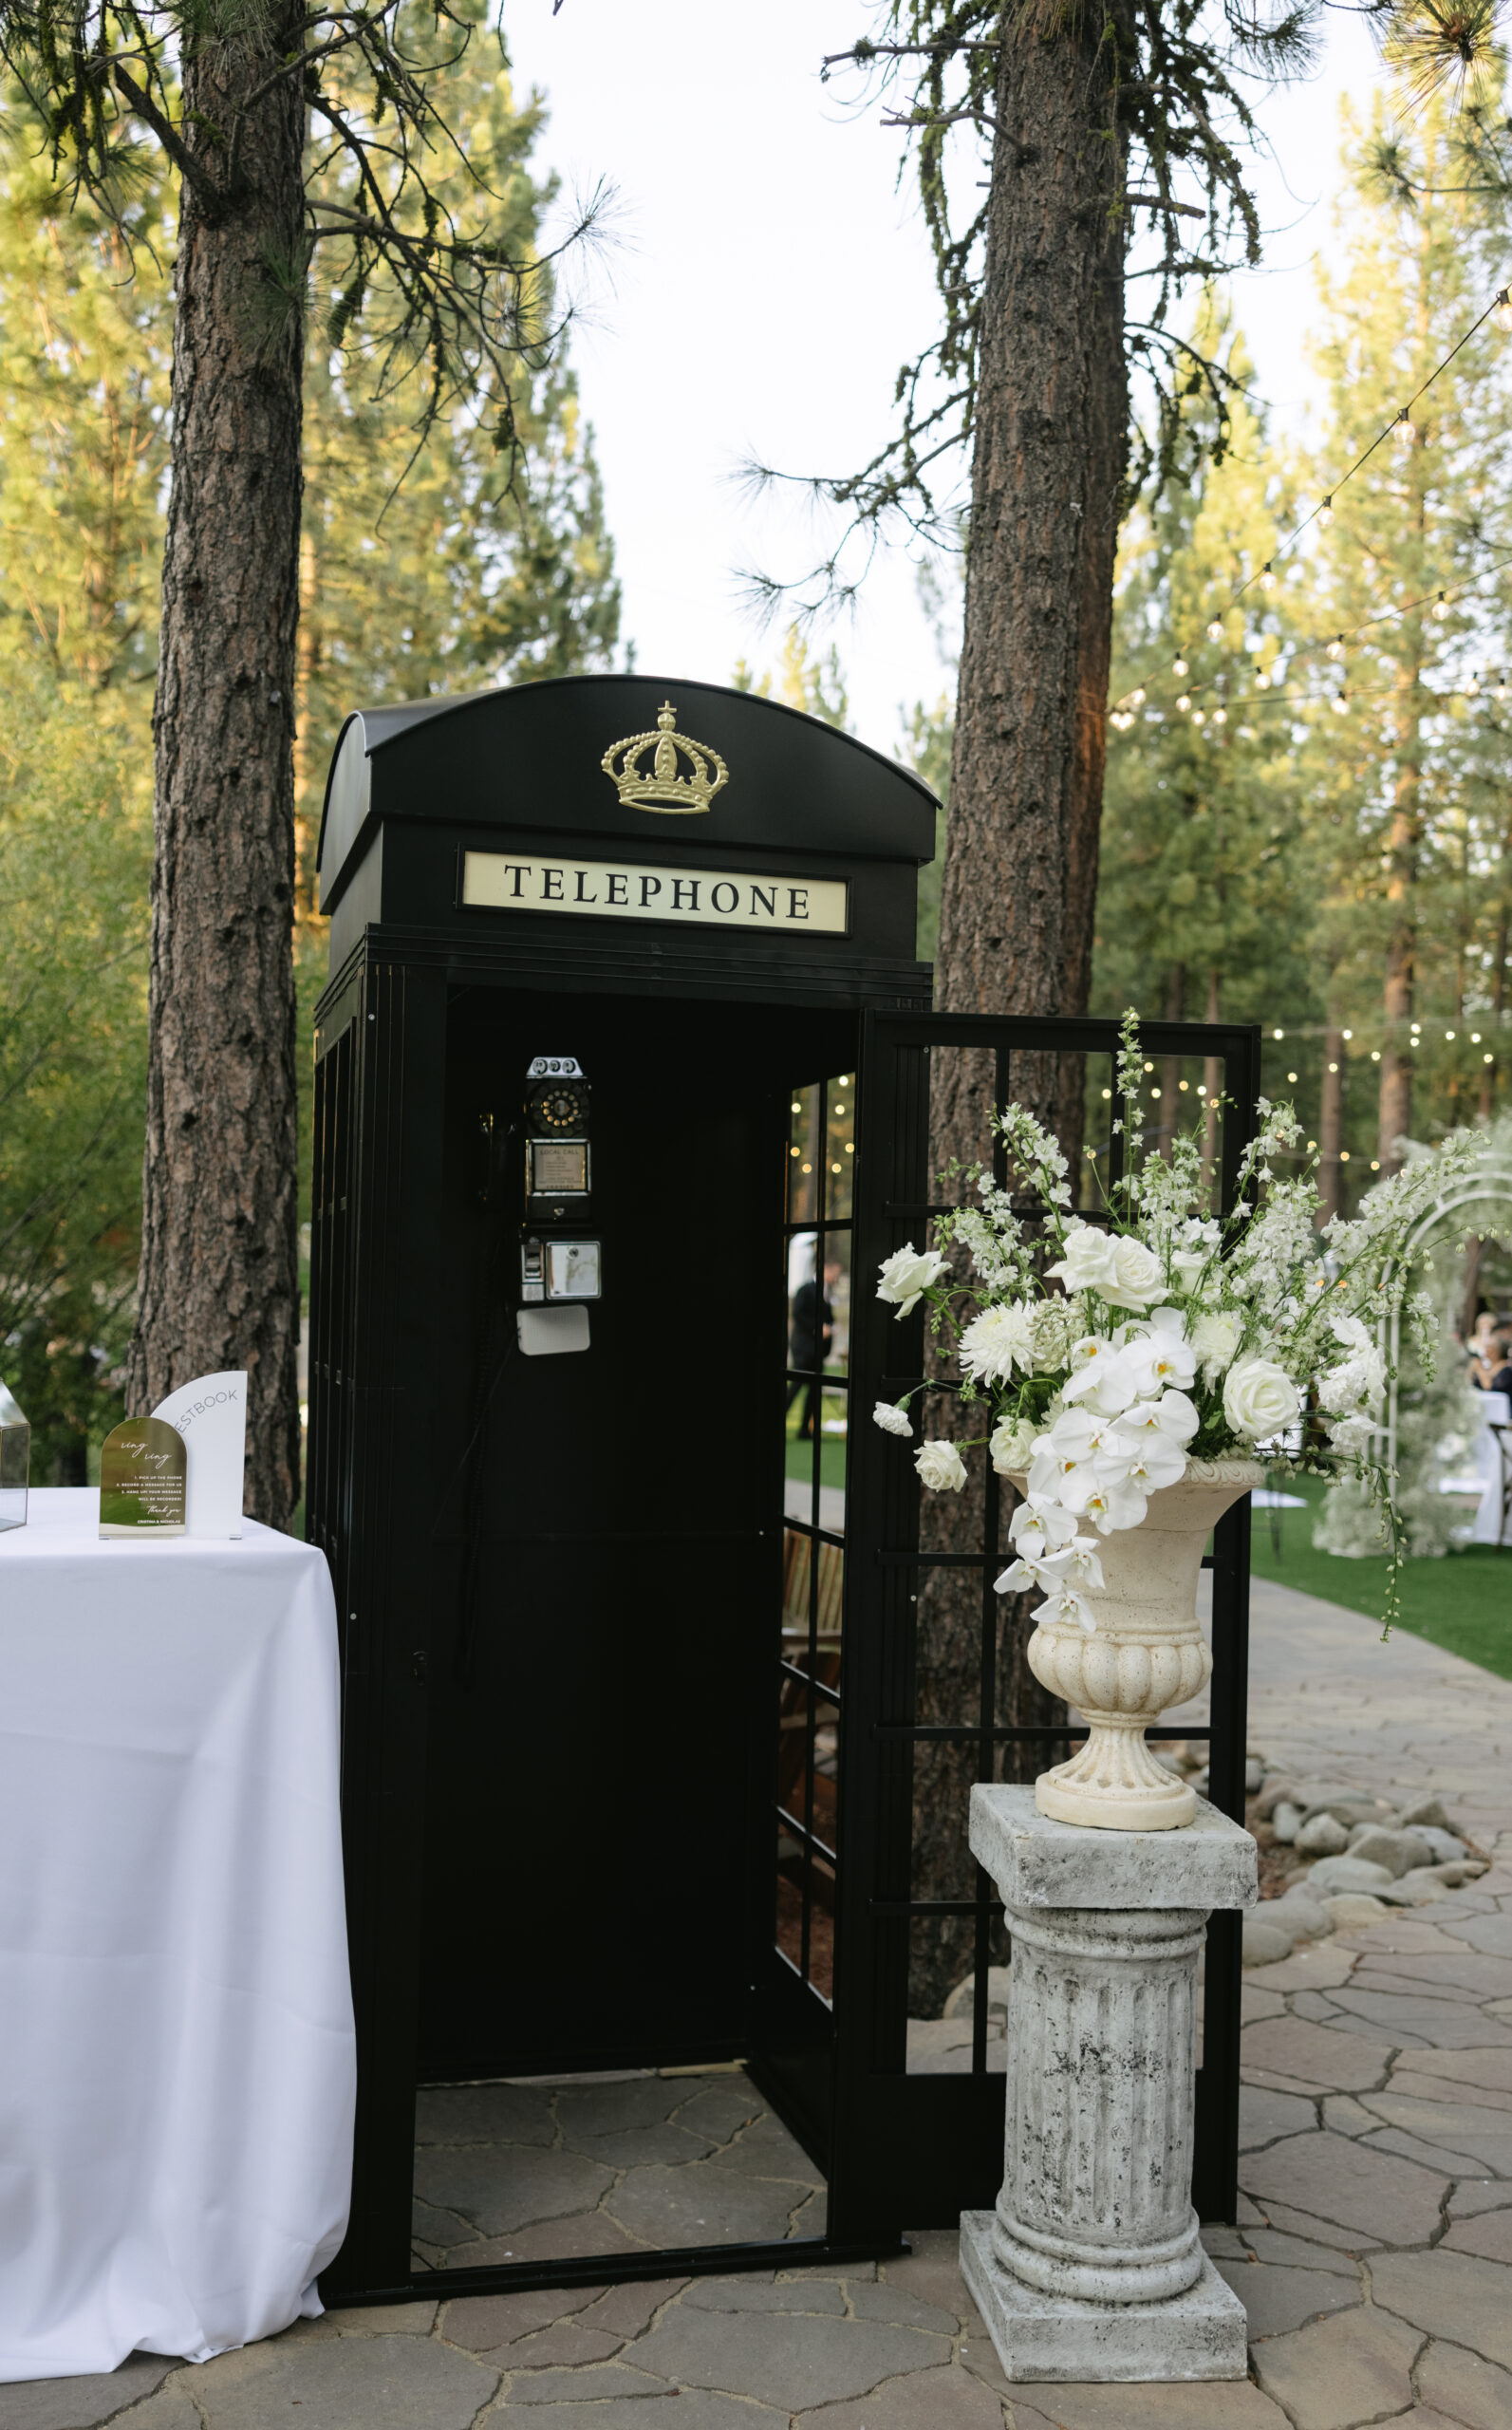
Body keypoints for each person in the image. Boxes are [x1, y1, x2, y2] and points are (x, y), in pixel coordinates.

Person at [787, 1254, 842, 1441]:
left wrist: (831, 1327)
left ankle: (804, 1429)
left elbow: (828, 1317)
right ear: (825, 1269)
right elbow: (797, 1313)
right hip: (803, 1347)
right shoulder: (805, 1289)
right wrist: (817, 1328)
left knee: (814, 1390)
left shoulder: (827, 1292)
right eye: (835, 1273)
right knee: (796, 1384)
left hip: (818, 1349)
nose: (836, 1277)